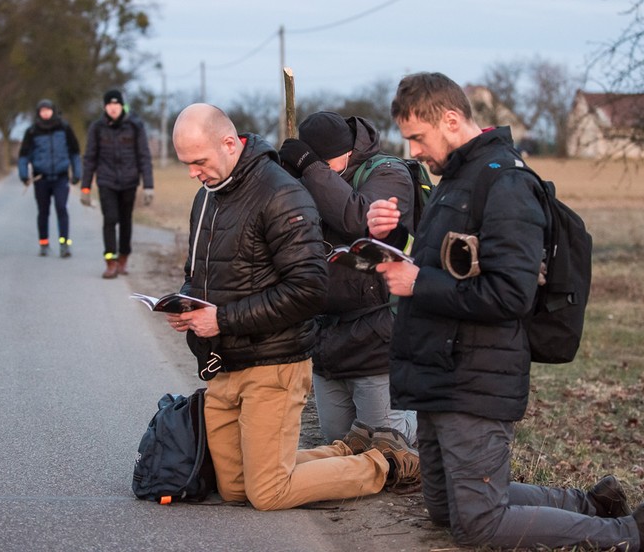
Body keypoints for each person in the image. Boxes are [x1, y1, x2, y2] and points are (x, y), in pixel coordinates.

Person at [366, 72, 644, 551]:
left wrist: (418, 283)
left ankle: (635, 534)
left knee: (478, 525)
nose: (412, 151)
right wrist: (388, 239)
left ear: (450, 120)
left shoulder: (506, 183)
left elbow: (511, 294)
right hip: (438, 371)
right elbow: (439, 266)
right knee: (444, 508)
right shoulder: (457, 180)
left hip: (474, 376)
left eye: (417, 137)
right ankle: (592, 503)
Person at [165, 103, 420, 511]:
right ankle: (347, 451)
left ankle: (382, 462)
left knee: (266, 492)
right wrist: (186, 301)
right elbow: (199, 272)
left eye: (198, 161)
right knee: (234, 488)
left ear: (229, 143)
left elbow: (307, 288)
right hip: (224, 360)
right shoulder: (206, 198)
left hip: (274, 358)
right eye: (186, 163)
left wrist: (222, 318)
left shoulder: (281, 193)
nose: (193, 172)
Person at [278, 110, 418, 448]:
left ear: (348, 150)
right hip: (327, 336)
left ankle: (434, 425)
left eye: (326, 163)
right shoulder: (312, 176)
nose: (323, 170)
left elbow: (358, 217)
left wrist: (311, 169)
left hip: (376, 333)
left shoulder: (389, 171)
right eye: (317, 164)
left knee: (386, 444)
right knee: (339, 442)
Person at [81, 89, 154, 278]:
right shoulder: (97, 128)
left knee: (125, 221)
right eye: (109, 104)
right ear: (105, 107)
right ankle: (110, 261)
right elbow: (90, 158)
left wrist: (148, 185)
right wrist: (85, 187)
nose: (113, 108)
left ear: (122, 106)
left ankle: (123, 258)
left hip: (129, 181)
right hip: (106, 181)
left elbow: (144, 156)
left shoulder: (135, 127)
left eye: (116, 104)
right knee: (110, 219)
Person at [18, 99, 82, 258]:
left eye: (48, 110)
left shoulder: (64, 128)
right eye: (42, 111)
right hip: (41, 178)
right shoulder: (32, 132)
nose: (45, 113)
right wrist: (24, 174)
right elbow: (23, 155)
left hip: (61, 177)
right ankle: (44, 243)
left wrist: (77, 172)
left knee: (61, 208)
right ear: (38, 113)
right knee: (43, 211)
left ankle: (64, 243)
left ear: (53, 111)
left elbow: (75, 152)